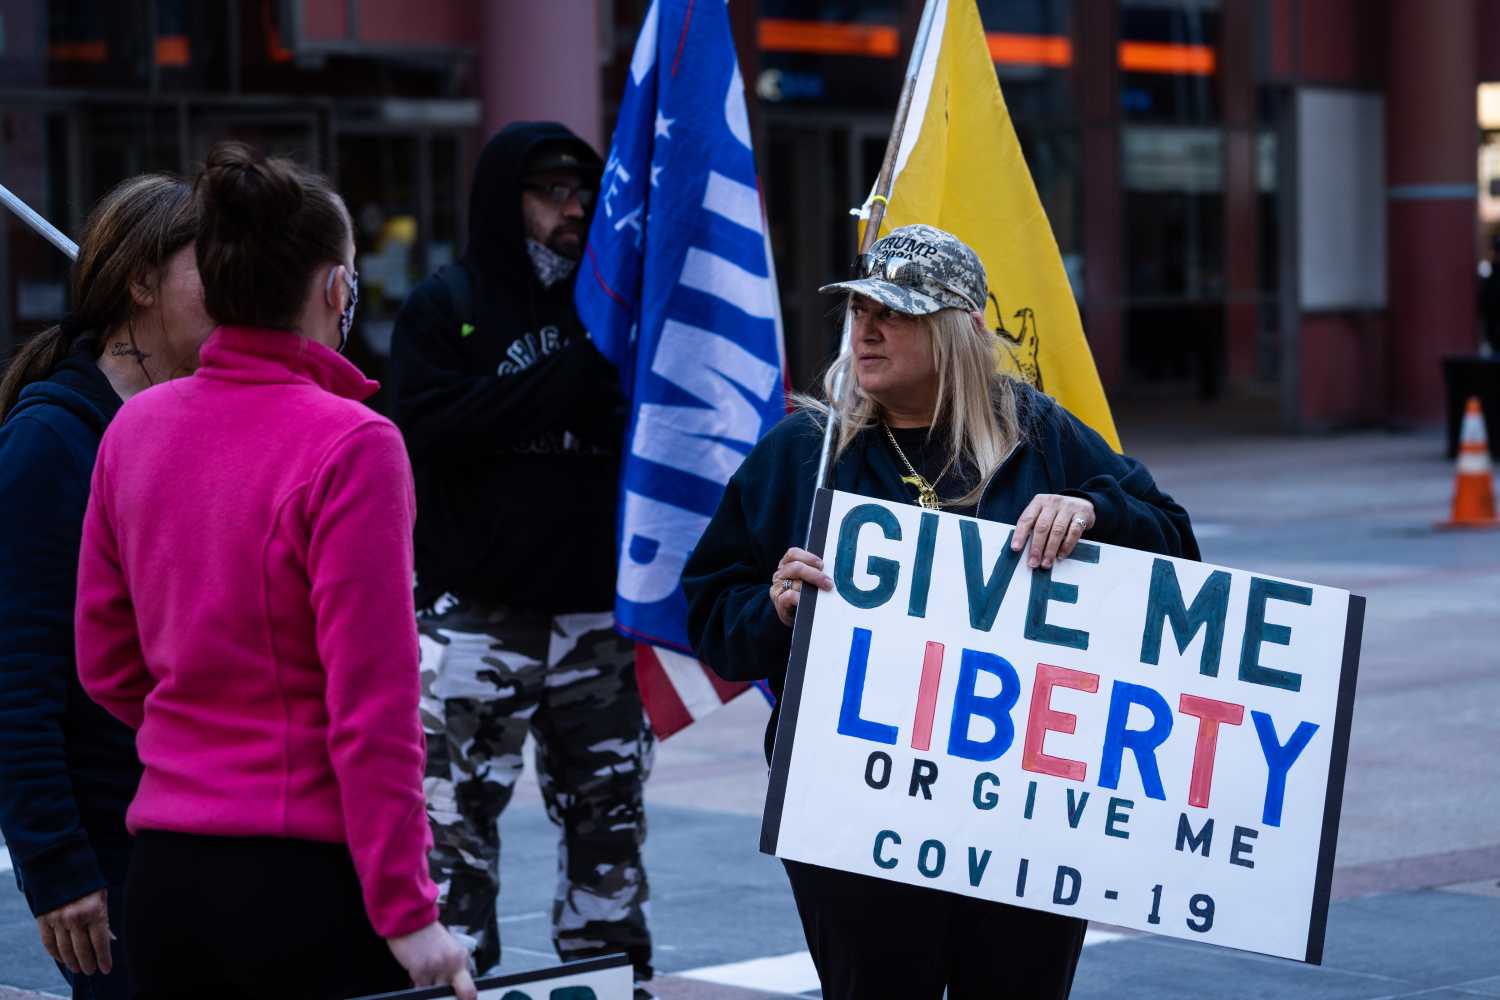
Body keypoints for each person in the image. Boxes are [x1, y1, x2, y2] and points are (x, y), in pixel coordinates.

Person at [683, 224, 1200, 999]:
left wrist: (1096, 510)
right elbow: (712, 617)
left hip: (1021, 809)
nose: (867, 328)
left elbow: (1179, 550)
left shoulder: (1036, 434)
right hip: (851, 812)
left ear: (956, 330)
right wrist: (774, 609)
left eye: (894, 312)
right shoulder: (804, 453)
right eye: (858, 309)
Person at [73, 141, 474, 1000]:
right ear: (335, 288)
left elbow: (104, 661)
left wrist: (206, 725)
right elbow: (372, 704)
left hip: (167, 872)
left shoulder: (134, 430)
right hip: (305, 881)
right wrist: (409, 911)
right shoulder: (353, 443)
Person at [388, 121, 655, 991]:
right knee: (455, 833)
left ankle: (613, 981)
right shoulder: (446, 303)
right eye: (552, 192)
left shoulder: (616, 309)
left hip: (594, 619)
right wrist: (567, 382)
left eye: (584, 192)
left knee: (609, 828)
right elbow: (426, 432)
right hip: (477, 615)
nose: (574, 209)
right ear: (507, 202)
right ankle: (456, 988)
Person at [0, 174, 211, 999]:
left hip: (206, 829)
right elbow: (18, 672)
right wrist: (55, 866)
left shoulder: (201, 422)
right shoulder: (50, 442)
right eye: (213, 265)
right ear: (142, 280)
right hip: (114, 852)